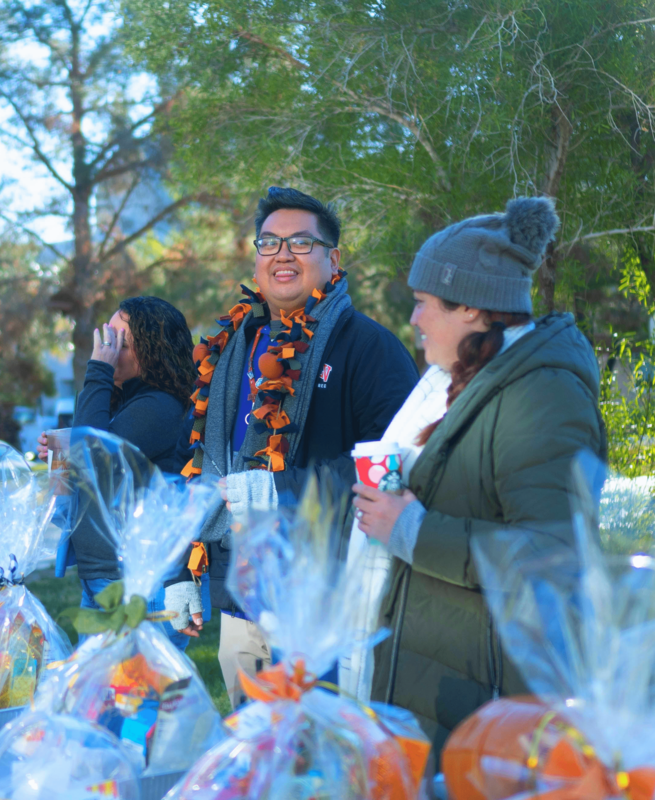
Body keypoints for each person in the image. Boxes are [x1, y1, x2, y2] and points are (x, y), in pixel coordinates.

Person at [350, 197, 607, 753]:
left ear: (469, 307)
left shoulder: (543, 395)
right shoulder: (461, 381)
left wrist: (411, 531)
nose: (414, 318)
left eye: (423, 304)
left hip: (490, 705)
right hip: (445, 685)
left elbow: (555, 558)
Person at [164, 186, 419, 710]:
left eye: (301, 243)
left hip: (327, 603)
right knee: (255, 747)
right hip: (243, 597)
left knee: (320, 760)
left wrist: (276, 489)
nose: (282, 254)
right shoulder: (229, 351)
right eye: (269, 242)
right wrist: (182, 570)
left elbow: (394, 466)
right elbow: (194, 465)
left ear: (333, 259)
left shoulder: (369, 348)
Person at [41, 297, 199, 642]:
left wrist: (98, 370)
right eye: (108, 339)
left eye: (121, 343)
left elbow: (93, 462)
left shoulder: (158, 407)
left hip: (139, 585)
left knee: (131, 695)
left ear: (154, 350)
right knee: (105, 695)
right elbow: (91, 460)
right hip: (109, 581)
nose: (109, 350)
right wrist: (62, 452)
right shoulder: (130, 401)